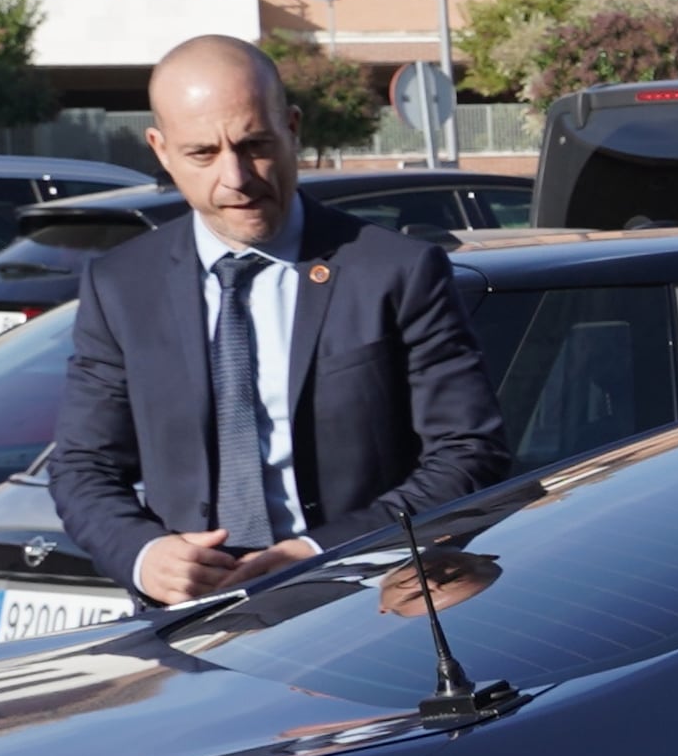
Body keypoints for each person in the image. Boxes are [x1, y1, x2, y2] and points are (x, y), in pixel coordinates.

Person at [43, 37, 508, 606]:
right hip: (191, 626)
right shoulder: (122, 286)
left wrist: (320, 554)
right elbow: (82, 466)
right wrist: (145, 556)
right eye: (202, 154)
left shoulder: (393, 271)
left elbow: (469, 453)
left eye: (254, 144)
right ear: (161, 151)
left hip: (366, 605)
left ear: (292, 128)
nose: (235, 178)